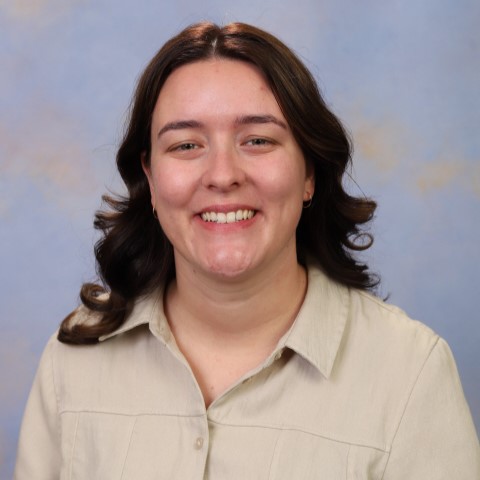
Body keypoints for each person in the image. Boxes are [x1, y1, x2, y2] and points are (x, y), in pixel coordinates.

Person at [15, 21, 479, 479]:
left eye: (258, 140)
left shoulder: (410, 374)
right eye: (186, 144)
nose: (223, 175)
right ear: (151, 179)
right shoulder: (73, 359)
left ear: (309, 173)